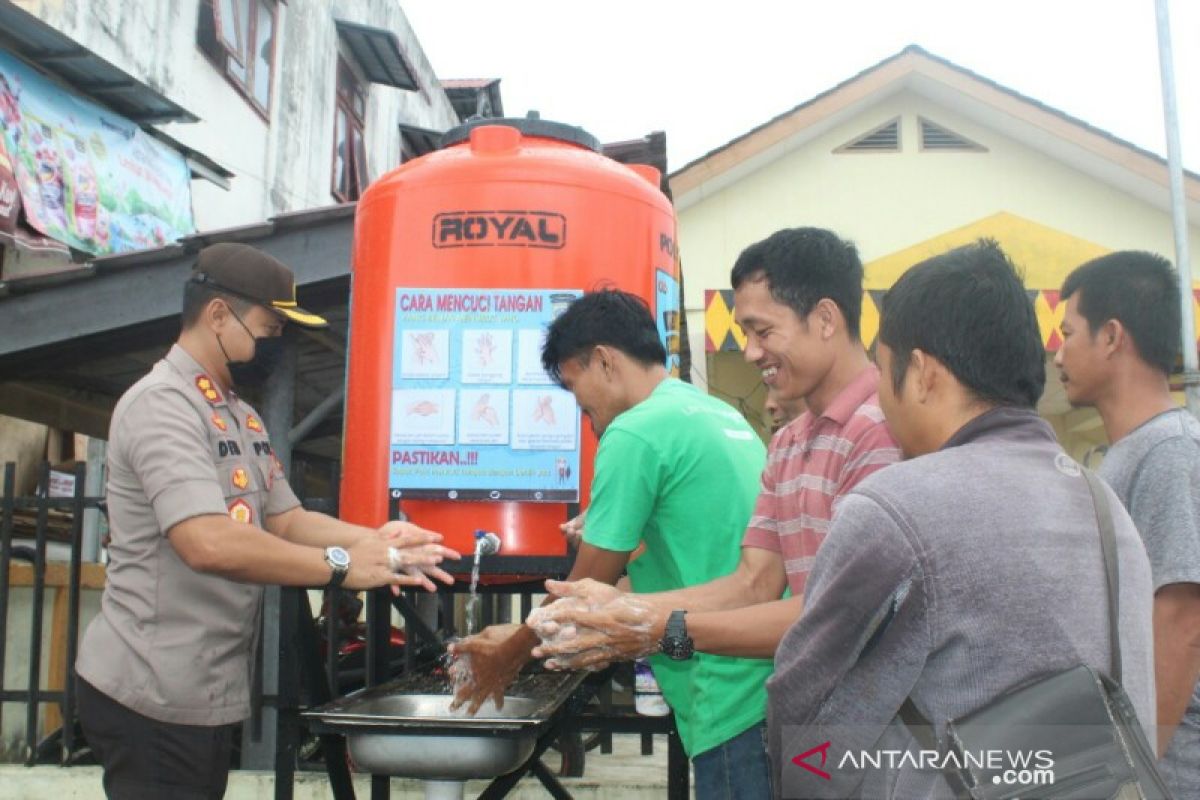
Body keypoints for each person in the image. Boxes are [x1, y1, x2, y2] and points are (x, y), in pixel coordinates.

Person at [754, 239, 1154, 796]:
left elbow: (806, 709)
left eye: (884, 368)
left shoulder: (895, 507)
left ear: (920, 373)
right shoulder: (1104, 504)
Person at [75, 243, 460, 800]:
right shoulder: (161, 406)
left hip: (202, 690)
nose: (274, 342)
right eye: (267, 327)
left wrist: (374, 540)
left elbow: (284, 519)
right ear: (217, 316)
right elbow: (205, 541)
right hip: (151, 691)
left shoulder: (238, 414)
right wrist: (340, 566)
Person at [450, 289, 774, 797]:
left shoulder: (636, 433)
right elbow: (681, 550)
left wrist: (509, 656)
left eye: (582, 401)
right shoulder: (711, 412)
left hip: (724, 689)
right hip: (766, 680)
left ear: (603, 360)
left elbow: (584, 590)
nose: (591, 422)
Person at [528, 227, 900, 668]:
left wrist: (658, 629)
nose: (750, 353)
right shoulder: (786, 443)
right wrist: (634, 618)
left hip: (873, 726)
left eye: (762, 332)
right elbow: (753, 584)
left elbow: (843, 615)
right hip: (800, 704)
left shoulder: (882, 431)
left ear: (824, 319)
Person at [1056, 250, 1200, 793]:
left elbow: (1184, 622)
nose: (1058, 354)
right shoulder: (1125, 453)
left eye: (1069, 333)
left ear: (1112, 336)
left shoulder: (1171, 453)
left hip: (1169, 773)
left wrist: (1132, 773)